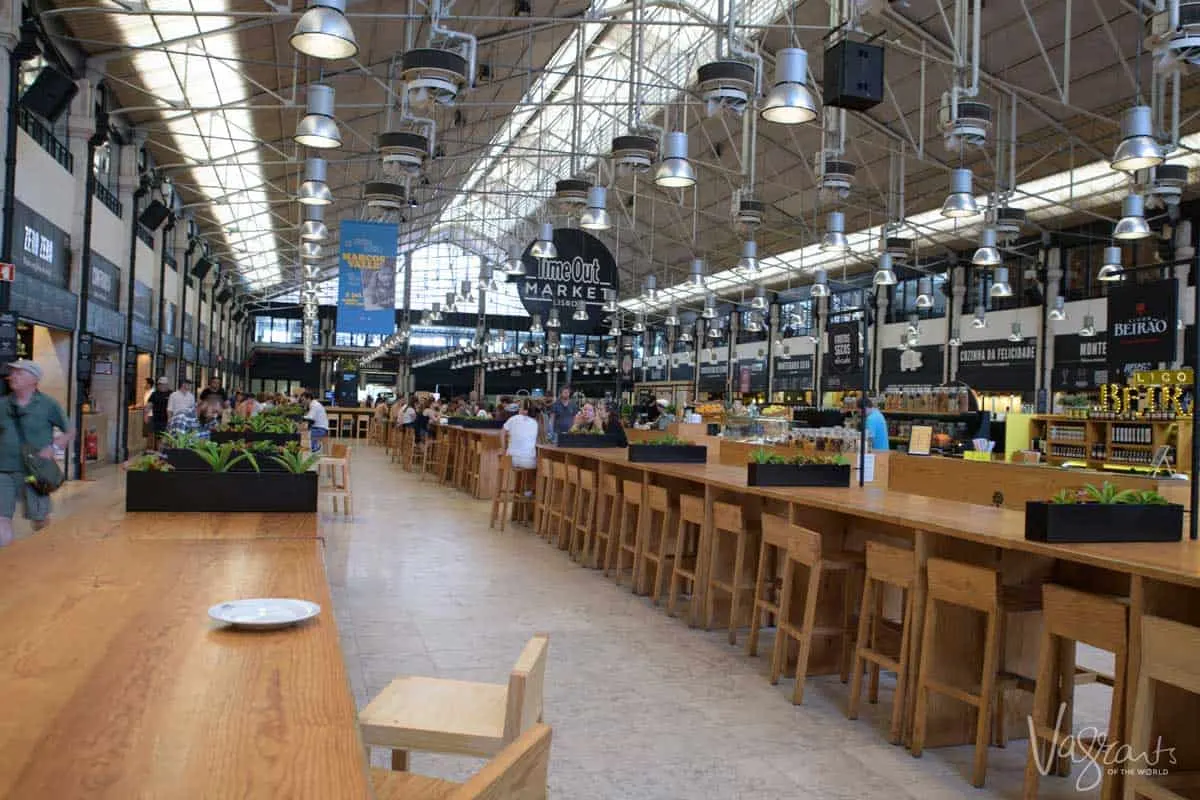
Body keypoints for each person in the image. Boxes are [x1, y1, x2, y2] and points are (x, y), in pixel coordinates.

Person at [0, 360, 74, 545]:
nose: (13, 376)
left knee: (40, 520)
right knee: (2, 518)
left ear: (34, 379)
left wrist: (54, 448)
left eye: (19, 373)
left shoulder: (48, 404)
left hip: (34, 472)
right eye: (12, 373)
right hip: (4, 470)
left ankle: (44, 557)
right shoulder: (2, 404)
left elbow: (69, 431)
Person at [500, 399, 539, 470]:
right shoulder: (535, 423)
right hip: (528, 461)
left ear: (520, 408)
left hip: (511, 458)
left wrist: (504, 449)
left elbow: (502, 432)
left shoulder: (513, 419)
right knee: (539, 466)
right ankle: (526, 481)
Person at [145, 377, 172, 451]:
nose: (161, 386)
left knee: (167, 438)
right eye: (160, 384)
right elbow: (149, 405)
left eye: (163, 384)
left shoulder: (171, 394)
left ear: (167, 385)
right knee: (158, 437)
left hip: (168, 420)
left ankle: (166, 453)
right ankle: (159, 453)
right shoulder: (154, 394)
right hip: (157, 419)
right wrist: (146, 415)